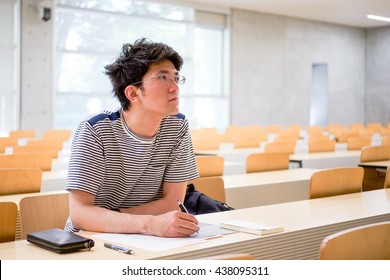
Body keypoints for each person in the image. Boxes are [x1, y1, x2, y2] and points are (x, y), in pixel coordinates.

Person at [65, 38, 200, 237]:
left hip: (151, 236)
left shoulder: (177, 126)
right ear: (133, 93)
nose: (175, 88)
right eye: (163, 78)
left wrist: (116, 219)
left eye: (176, 78)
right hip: (92, 238)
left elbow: (173, 203)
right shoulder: (95, 129)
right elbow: (80, 215)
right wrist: (149, 224)